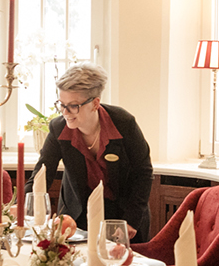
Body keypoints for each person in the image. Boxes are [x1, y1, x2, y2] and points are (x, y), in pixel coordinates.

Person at [35, 63, 153, 242]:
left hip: (124, 215)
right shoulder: (58, 128)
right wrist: (23, 207)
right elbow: (42, 173)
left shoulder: (123, 123)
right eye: (61, 104)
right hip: (76, 216)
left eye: (73, 106)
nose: (65, 112)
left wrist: (131, 220)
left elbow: (143, 173)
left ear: (95, 103)